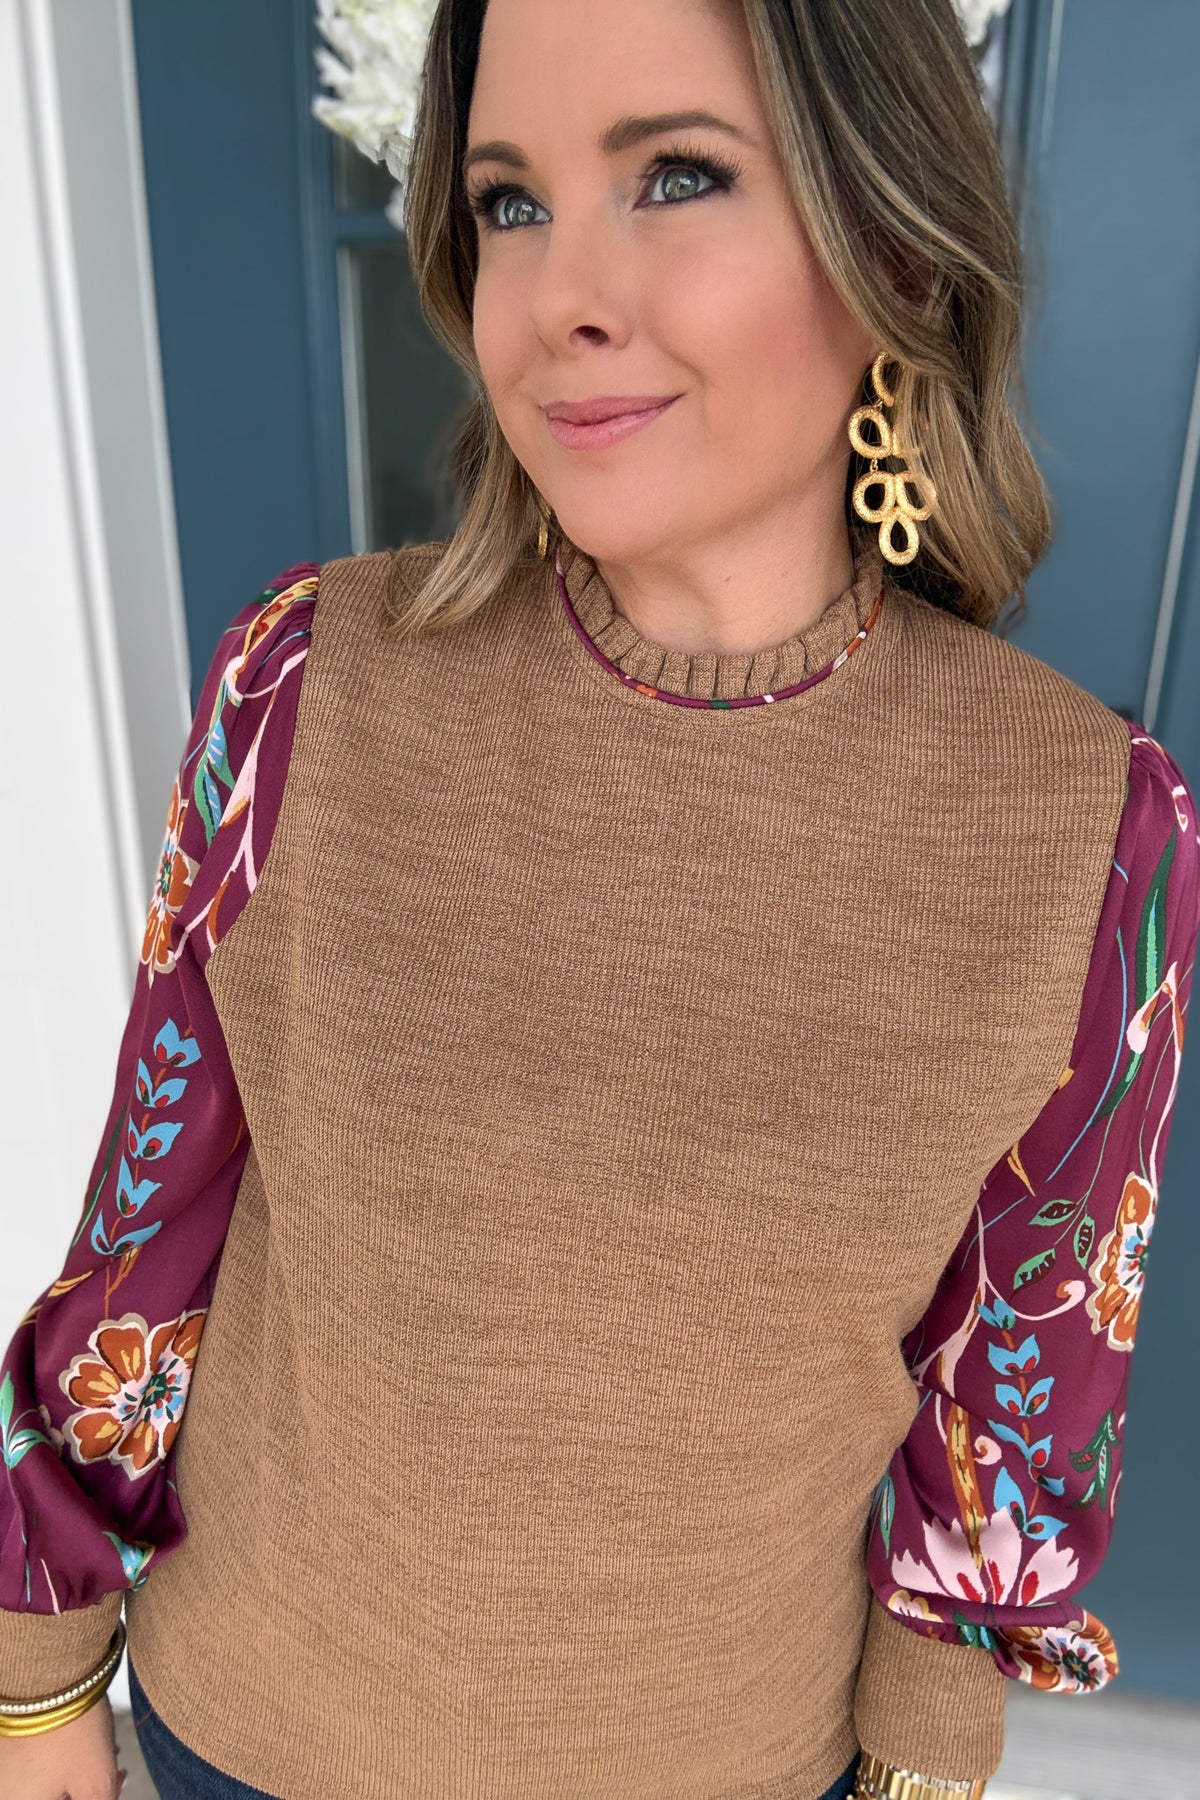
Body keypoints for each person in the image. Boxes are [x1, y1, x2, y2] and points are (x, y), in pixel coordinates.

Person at [2, 0, 1198, 1795]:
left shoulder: (1088, 831)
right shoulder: (309, 685)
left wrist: (927, 1769)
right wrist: (33, 1686)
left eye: (678, 176)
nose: (559, 295)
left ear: (892, 248)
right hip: (238, 1738)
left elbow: (1007, 1421)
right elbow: (143, 1245)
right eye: (510, 202)